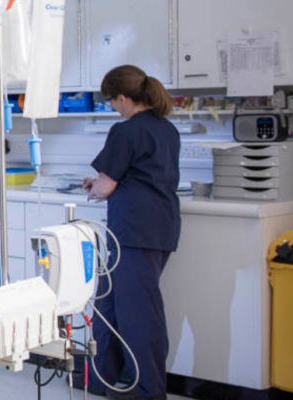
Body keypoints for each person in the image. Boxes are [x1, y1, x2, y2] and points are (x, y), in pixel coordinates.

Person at [83, 65, 181, 400]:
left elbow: (106, 186)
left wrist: (96, 187)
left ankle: (149, 389)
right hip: (157, 226)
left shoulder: (125, 131)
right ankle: (101, 378)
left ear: (123, 98)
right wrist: (99, 183)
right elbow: (135, 174)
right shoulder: (166, 128)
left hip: (135, 232)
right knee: (107, 304)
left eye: (111, 100)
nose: (112, 106)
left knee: (140, 312)